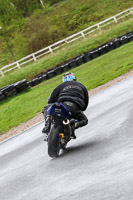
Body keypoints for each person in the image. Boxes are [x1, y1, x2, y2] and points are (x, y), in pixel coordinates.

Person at [42, 72, 89, 140]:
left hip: (62, 106)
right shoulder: (82, 86)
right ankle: (72, 127)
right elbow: (86, 102)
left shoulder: (61, 86)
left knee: (46, 108)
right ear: (74, 78)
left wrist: (54, 103)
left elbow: (50, 100)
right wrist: (81, 109)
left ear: (64, 80)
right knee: (84, 120)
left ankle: (47, 125)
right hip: (75, 108)